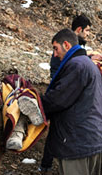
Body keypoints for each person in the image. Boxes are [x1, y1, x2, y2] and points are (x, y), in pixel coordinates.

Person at [40, 28, 102, 175]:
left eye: (56, 48)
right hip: (92, 140)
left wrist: (36, 101)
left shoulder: (77, 65)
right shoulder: (88, 64)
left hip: (76, 144)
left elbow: (58, 100)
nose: (55, 54)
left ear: (67, 45)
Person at [50, 14, 91, 78]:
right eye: (87, 30)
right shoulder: (69, 44)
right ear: (79, 29)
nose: (88, 34)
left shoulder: (75, 43)